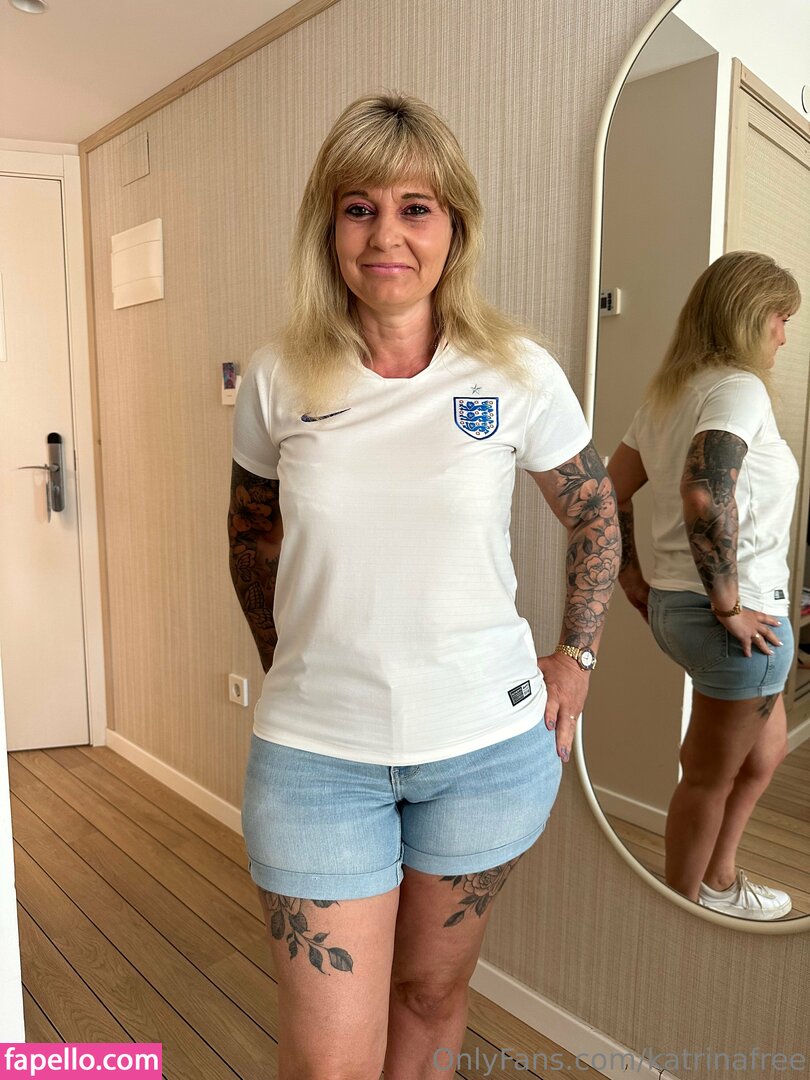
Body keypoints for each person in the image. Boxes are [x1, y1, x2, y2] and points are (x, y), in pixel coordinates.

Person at [227, 92, 619, 1079]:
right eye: (359, 208)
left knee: (432, 996)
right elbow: (249, 538)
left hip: (486, 753)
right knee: (330, 1061)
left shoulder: (516, 372)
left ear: (455, 227)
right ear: (328, 227)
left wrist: (576, 657)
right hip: (317, 762)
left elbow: (595, 513)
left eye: (416, 208)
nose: (386, 236)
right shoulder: (278, 377)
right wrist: (293, 665)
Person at [608, 250, 801, 921]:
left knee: (763, 752)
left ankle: (718, 879)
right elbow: (704, 492)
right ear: (752, 316)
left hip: (679, 611)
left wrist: (635, 577)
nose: (784, 335)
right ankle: (683, 915)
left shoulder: (671, 392)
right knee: (707, 778)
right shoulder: (739, 390)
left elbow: (610, 491)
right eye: (781, 318)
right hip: (733, 623)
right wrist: (730, 605)